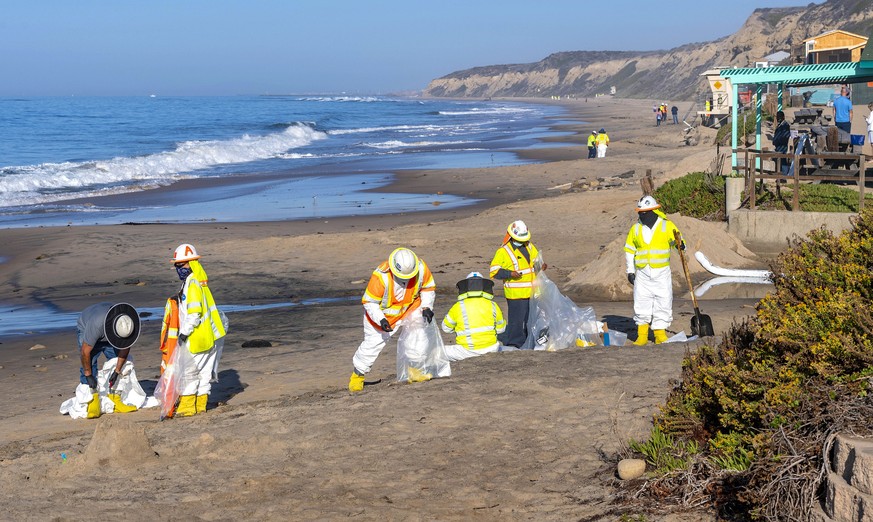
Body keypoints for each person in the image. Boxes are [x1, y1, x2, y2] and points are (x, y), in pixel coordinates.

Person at [350, 247, 436, 392]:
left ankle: (414, 371)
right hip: (383, 318)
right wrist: (381, 320)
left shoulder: (421, 268)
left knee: (418, 336)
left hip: (410, 308)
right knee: (372, 345)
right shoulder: (380, 277)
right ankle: (357, 377)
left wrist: (426, 307)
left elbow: (428, 288)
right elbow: (370, 302)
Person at [171, 243, 226, 416]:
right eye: (177, 266)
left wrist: (184, 333)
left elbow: (194, 313)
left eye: (181, 265)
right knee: (204, 374)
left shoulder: (192, 283)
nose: (179, 269)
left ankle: (188, 408)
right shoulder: (200, 282)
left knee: (189, 372)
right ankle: (201, 406)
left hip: (197, 337)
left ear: (191, 263)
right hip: (210, 336)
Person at [624, 196, 685, 345]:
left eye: (645, 212)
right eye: (640, 212)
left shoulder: (667, 226)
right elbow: (629, 251)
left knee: (663, 302)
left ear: (653, 211)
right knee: (641, 302)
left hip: (661, 273)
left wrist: (680, 245)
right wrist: (630, 271)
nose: (642, 215)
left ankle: (659, 335)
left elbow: (679, 242)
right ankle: (642, 335)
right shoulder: (636, 228)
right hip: (643, 273)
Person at [77, 302, 141, 418]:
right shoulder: (96, 324)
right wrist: (88, 375)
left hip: (109, 330)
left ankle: (116, 399)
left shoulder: (128, 324)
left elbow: (125, 350)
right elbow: (85, 352)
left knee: (123, 364)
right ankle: (91, 401)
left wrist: (117, 371)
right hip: (88, 327)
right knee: (89, 366)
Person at [490, 220, 547, 348]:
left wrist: (541, 266)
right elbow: (494, 272)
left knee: (530, 319)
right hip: (516, 294)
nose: (522, 242)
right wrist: (510, 274)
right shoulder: (503, 252)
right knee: (516, 321)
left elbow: (536, 262)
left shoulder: (530, 246)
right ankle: (515, 343)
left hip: (532, 292)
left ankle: (529, 340)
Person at [441, 272, 506, 360]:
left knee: (438, 352)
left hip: (468, 351)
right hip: (492, 348)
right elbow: (501, 329)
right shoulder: (493, 305)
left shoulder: (458, 306)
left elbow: (446, 328)